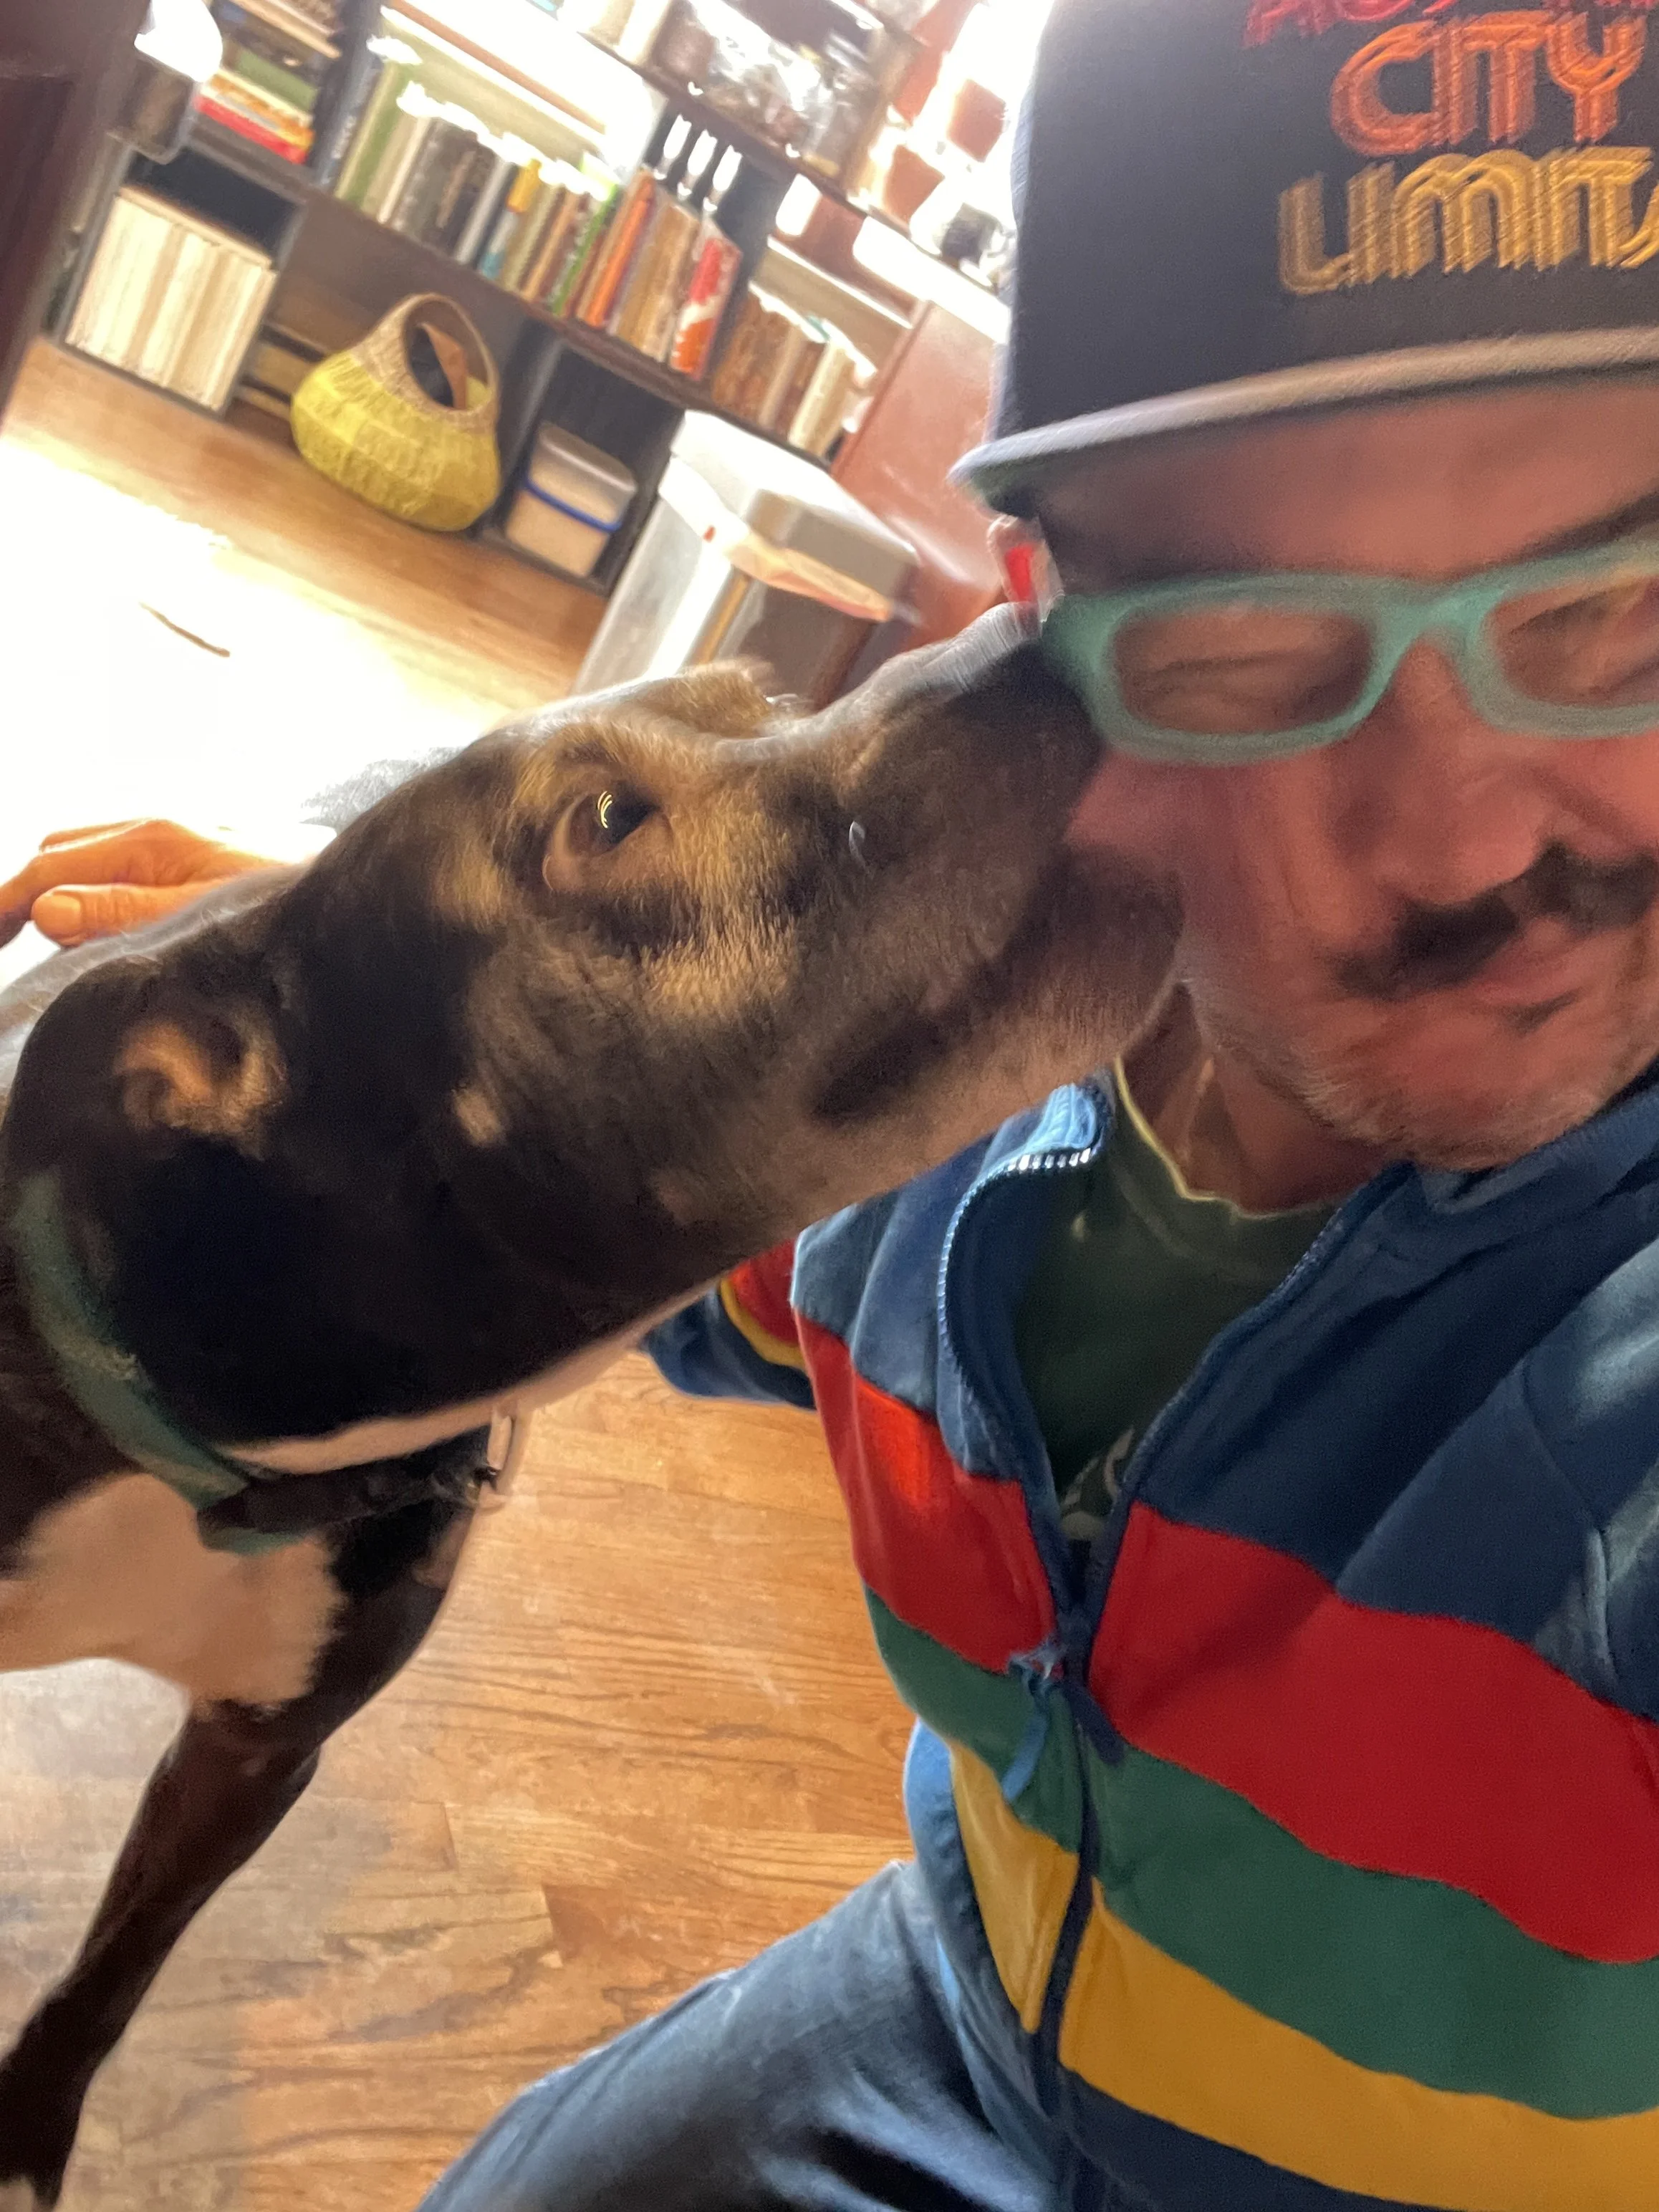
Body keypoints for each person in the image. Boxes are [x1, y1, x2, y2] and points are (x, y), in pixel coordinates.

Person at [11, 4, 1659, 2204]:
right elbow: (528, 1238)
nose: (1462, 839)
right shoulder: (918, 1158)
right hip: (972, 2008)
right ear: (1052, 651)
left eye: (1621, 613)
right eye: (1247, 649)